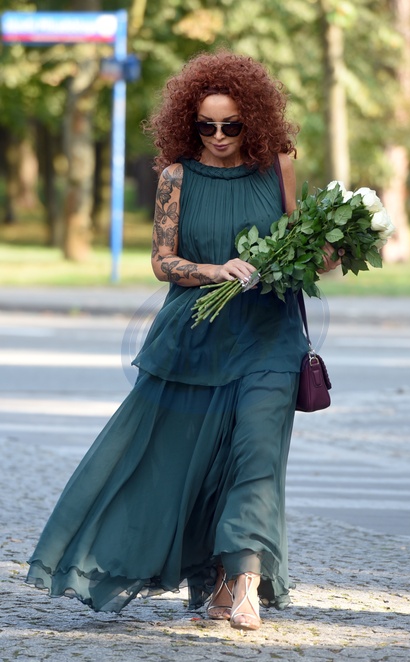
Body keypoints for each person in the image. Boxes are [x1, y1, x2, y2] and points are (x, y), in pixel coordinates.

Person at [26, 50, 339, 632]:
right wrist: (215, 270)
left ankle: (245, 583)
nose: (218, 137)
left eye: (231, 125)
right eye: (205, 126)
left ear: (253, 121)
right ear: (188, 124)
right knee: (190, 464)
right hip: (195, 338)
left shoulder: (279, 167)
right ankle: (213, 578)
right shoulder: (176, 177)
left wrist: (331, 250)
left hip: (270, 335)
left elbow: (305, 250)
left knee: (257, 454)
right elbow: (161, 260)